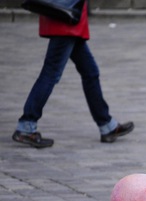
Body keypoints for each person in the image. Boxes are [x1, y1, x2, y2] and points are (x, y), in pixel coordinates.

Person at [12, 0, 134, 149]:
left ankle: (107, 125)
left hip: (68, 19)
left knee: (90, 72)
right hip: (65, 20)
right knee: (51, 73)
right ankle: (26, 126)